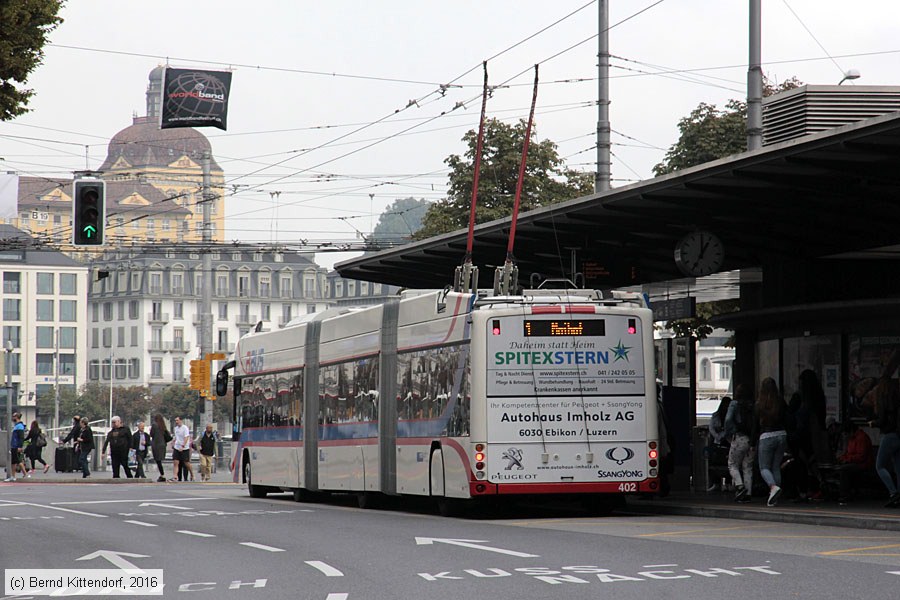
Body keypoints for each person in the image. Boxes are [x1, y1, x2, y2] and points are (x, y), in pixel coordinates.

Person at [755, 377, 789, 507]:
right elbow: (788, 417)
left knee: (764, 467)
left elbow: (755, 426)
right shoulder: (780, 401)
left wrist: (753, 444)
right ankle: (774, 496)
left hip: (766, 436)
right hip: (781, 434)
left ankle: (773, 487)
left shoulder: (759, 404)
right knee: (775, 466)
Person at [869, 377, 900, 507]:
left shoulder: (884, 401)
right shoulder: (897, 402)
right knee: (898, 467)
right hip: (899, 435)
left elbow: (881, 420)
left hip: (889, 435)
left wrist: (872, 423)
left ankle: (893, 492)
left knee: (879, 466)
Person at [724, 384, 754, 502]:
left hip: (739, 437)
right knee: (748, 467)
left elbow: (727, 419)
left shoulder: (734, 404)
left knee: (732, 464)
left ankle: (740, 486)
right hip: (750, 439)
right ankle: (748, 493)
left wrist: (728, 433)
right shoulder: (752, 405)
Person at [835, 421, 874, 505]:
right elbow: (848, 453)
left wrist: (848, 459)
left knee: (844, 470)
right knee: (840, 467)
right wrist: (842, 458)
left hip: (863, 464)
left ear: (851, 431)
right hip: (854, 462)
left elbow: (861, 456)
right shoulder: (851, 439)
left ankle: (844, 494)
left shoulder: (861, 438)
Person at [706, 396, 732, 491]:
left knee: (727, 462)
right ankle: (722, 483)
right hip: (722, 441)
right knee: (720, 462)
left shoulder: (717, 416)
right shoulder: (717, 415)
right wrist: (719, 436)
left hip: (724, 441)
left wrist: (718, 436)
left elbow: (712, 428)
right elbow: (711, 428)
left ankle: (721, 483)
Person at [5, 412, 28, 481]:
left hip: (16, 446)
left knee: (16, 461)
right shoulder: (17, 426)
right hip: (14, 445)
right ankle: (20, 475)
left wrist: (20, 446)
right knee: (16, 461)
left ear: (16, 417)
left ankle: (22, 475)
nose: (12, 418)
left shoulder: (19, 426)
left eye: (13, 416)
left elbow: (21, 437)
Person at [171, 416, 191, 482]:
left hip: (184, 448)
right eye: (175, 420)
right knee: (176, 462)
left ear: (181, 420)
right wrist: (173, 442)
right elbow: (176, 437)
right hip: (177, 447)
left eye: (177, 420)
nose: (176, 422)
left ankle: (191, 474)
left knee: (186, 463)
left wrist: (183, 446)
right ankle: (175, 476)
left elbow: (186, 437)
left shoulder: (185, 428)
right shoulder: (176, 428)